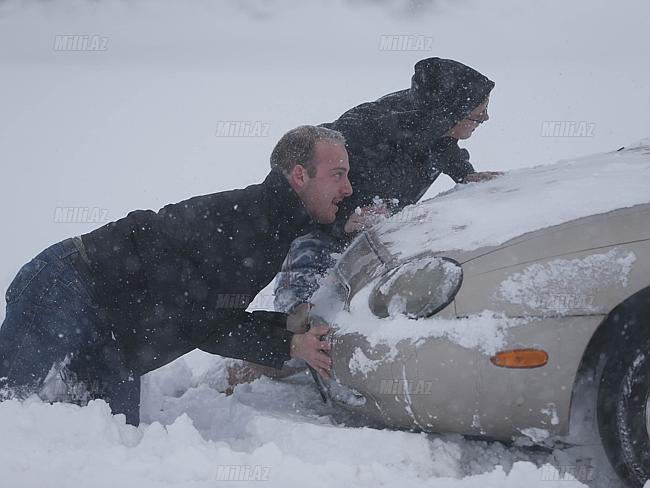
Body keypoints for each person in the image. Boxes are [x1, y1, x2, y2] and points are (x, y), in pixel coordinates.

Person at [0, 125, 352, 425]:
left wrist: (284, 328)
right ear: (299, 176)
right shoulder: (249, 224)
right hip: (68, 286)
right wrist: (288, 342)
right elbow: (204, 323)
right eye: (338, 175)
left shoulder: (270, 227)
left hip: (112, 336)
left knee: (109, 438)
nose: (348, 189)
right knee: (8, 403)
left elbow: (211, 314)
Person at [274, 57, 498, 315]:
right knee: (300, 319)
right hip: (316, 238)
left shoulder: (436, 122)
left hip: (374, 238)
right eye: (479, 114)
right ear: (451, 115)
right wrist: (341, 221)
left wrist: (465, 174)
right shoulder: (365, 130)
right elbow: (295, 187)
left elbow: (445, 147)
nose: (486, 117)